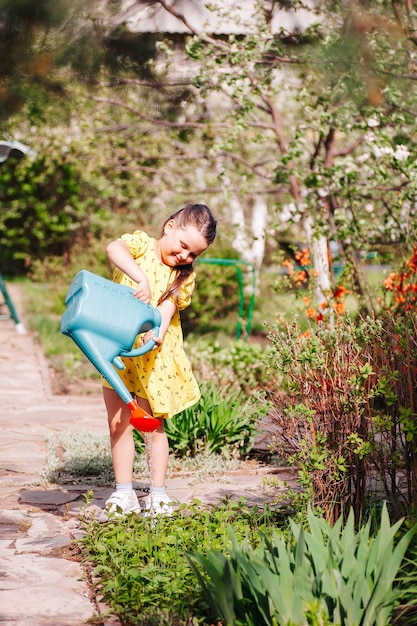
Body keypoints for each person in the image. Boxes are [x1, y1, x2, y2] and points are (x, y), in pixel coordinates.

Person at [100, 203, 217, 520]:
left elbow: (167, 307)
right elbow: (114, 248)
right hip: (117, 351)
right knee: (118, 423)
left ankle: (158, 494)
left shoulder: (182, 276)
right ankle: (124, 492)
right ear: (169, 227)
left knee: (151, 426)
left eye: (193, 254)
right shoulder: (139, 246)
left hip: (152, 358)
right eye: (183, 246)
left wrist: (158, 332)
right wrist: (141, 278)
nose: (185, 257)